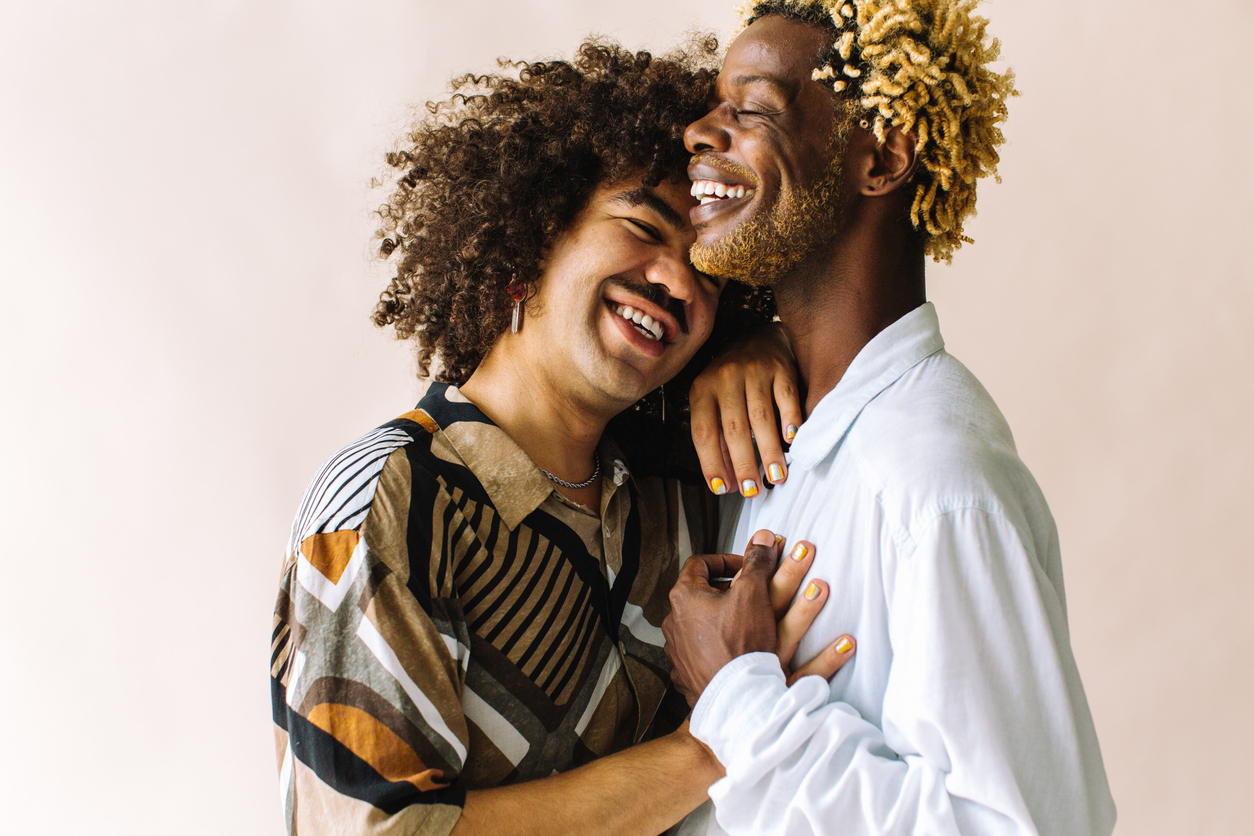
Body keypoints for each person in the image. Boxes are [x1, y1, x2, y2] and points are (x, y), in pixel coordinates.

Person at [270, 38, 853, 836]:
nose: (679, 282)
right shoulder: (387, 503)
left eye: (711, 272)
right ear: (533, 235)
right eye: (642, 228)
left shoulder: (681, 490)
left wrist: (767, 342)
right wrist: (713, 744)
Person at [664, 2, 1118, 834]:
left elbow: (1013, 825)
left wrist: (737, 696)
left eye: (753, 106)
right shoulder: (776, 426)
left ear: (880, 157)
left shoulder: (939, 481)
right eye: (713, 103)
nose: (699, 130)